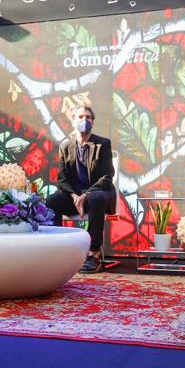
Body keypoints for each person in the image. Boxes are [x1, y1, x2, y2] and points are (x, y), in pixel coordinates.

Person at [47, 104, 116, 273]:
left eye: (88, 117)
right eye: (80, 117)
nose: (85, 120)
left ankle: (93, 254)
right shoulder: (65, 146)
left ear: (93, 121)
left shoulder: (103, 144)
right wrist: (73, 195)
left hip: (98, 195)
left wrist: (86, 194)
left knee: (95, 198)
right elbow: (62, 178)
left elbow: (107, 176)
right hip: (75, 198)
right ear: (73, 120)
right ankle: (58, 249)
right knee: (51, 201)